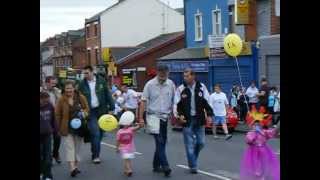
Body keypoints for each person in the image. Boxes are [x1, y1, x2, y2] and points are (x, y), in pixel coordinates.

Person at [138, 64, 175, 177]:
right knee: (159, 141)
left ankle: (155, 165)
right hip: (153, 116)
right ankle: (166, 166)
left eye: (165, 72)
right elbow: (143, 102)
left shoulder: (171, 84)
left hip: (165, 117)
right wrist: (140, 118)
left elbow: (174, 101)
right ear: (157, 72)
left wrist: (175, 115)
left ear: (168, 72)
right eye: (161, 72)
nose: (163, 74)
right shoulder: (149, 85)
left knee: (162, 142)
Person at [175, 68, 213, 174]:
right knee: (189, 144)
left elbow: (207, 102)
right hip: (187, 120)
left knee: (201, 143)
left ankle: (192, 158)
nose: (185, 78)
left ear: (193, 76)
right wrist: (179, 116)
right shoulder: (180, 89)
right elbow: (176, 104)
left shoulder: (202, 87)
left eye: (187, 76)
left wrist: (209, 115)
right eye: (184, 76)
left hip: (199, 118)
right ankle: (193, 165)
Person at [78, 65, 115, 164]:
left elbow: (108, 94)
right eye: (84, 73)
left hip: (102, 110)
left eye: (87, 73)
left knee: (101, 133)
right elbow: (79, 98)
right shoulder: (81, 84)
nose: (85, 75)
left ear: (92, 72)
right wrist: (81, 109)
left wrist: (112, 108)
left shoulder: (101, 81)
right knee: (96, 133)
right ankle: (96, 156)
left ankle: (94, 149)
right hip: (90, 112)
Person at [55, 80, 90, 177]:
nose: (69, 90)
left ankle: (75, 166)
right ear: (64, 89)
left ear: (74, 88)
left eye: (70, 88)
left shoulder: (81, 97)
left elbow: (87, 109)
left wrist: (84, 113)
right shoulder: (61, 99)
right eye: (67, 88)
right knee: (70, 147)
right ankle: (72, 168)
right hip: (66, 127)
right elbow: (57, 114)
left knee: (77, 148)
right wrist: (57, 128)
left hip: (80, 127)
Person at [240, 108, 280, 180]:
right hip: (253, 151)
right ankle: (257, 175)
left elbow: (273, 132)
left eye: (258, 124)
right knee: (256, 164)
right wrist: (255, 133)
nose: (257, 125)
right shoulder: (250, 133)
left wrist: (278, 125)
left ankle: (262, 176)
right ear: (251, 125)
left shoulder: (264, 132)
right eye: (255, 124)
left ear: (262, 125)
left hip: (264, 150)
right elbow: (248, 141)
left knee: (263, 163)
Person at [41, 76, 62, 164]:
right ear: (46, 83)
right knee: (47, 139)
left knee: (58, 137)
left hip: (55, 117)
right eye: (52, 83)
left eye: (55, 83)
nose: (54, 85)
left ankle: (55, 153)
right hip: (45, 118)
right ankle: (48, 157)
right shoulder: (41, 91)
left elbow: (60, 102)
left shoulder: (56, 91)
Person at [116, 112, 143, 177]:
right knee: (128, 159)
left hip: (123, 148)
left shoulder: (119, 132)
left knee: (126, 160)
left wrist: (117, 148)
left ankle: (129, 170)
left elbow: (118, 141)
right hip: (130, 147)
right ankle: (126, 170)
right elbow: (138, 128)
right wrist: (140, 125)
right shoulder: (131, 129)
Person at [40, 92, 57, 180]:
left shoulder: (50, 106)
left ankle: (48, 175)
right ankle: (42, 173)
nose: (47, 103)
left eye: (48, 101)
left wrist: (55, 130)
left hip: (47, 134)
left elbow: (53, 119)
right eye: (45, 101)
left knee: (48, 157)